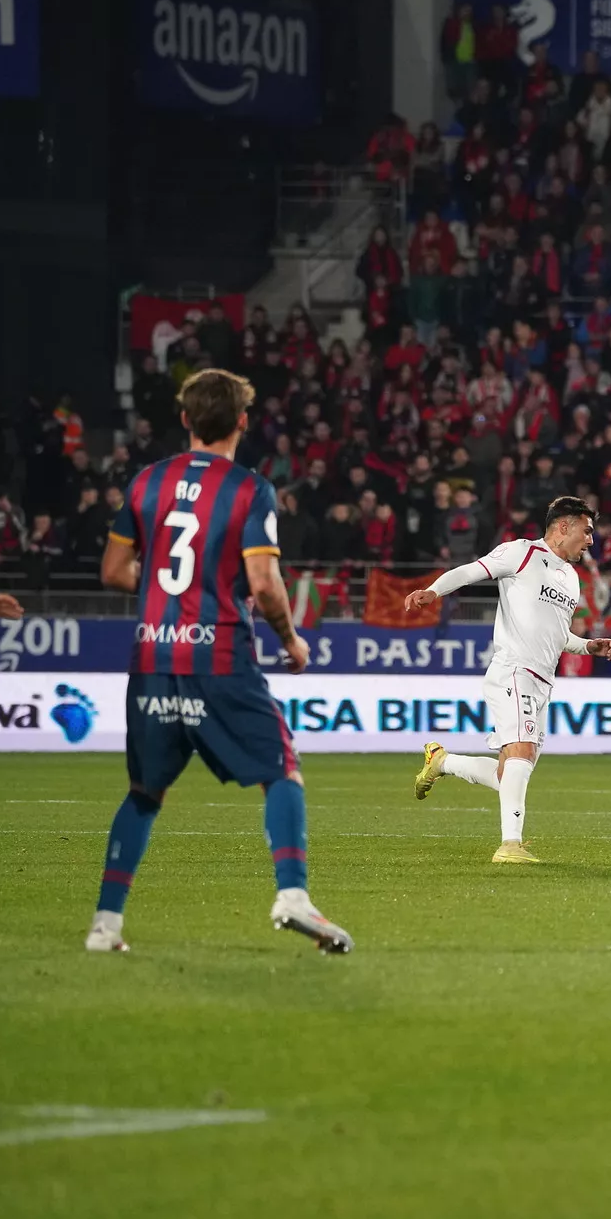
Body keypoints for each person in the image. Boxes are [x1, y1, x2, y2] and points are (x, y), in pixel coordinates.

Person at [88, 369, 350, 954]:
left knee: (144, 793)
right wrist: (291, 640)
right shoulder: (248, 488)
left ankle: (105, 926)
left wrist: (163, 591)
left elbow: (111, 571)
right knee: (281, 768)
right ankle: (292, 895)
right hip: (220, 654)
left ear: (184, 419)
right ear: (242, 421)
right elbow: (264, 580)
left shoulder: (146, 483)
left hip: (152, 655)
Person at [407, 497, 611, 864]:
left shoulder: (570, 578)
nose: (590, 541)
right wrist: (434, 591)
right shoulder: (521, 552)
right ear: (563, 526)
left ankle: (442, 761)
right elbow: (469, 571)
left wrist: (587, 646)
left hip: (543, 682)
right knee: (521, 753)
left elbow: (558, 634)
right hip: (514, 669)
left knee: (511, 772)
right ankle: (510, 845)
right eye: (587, 531)